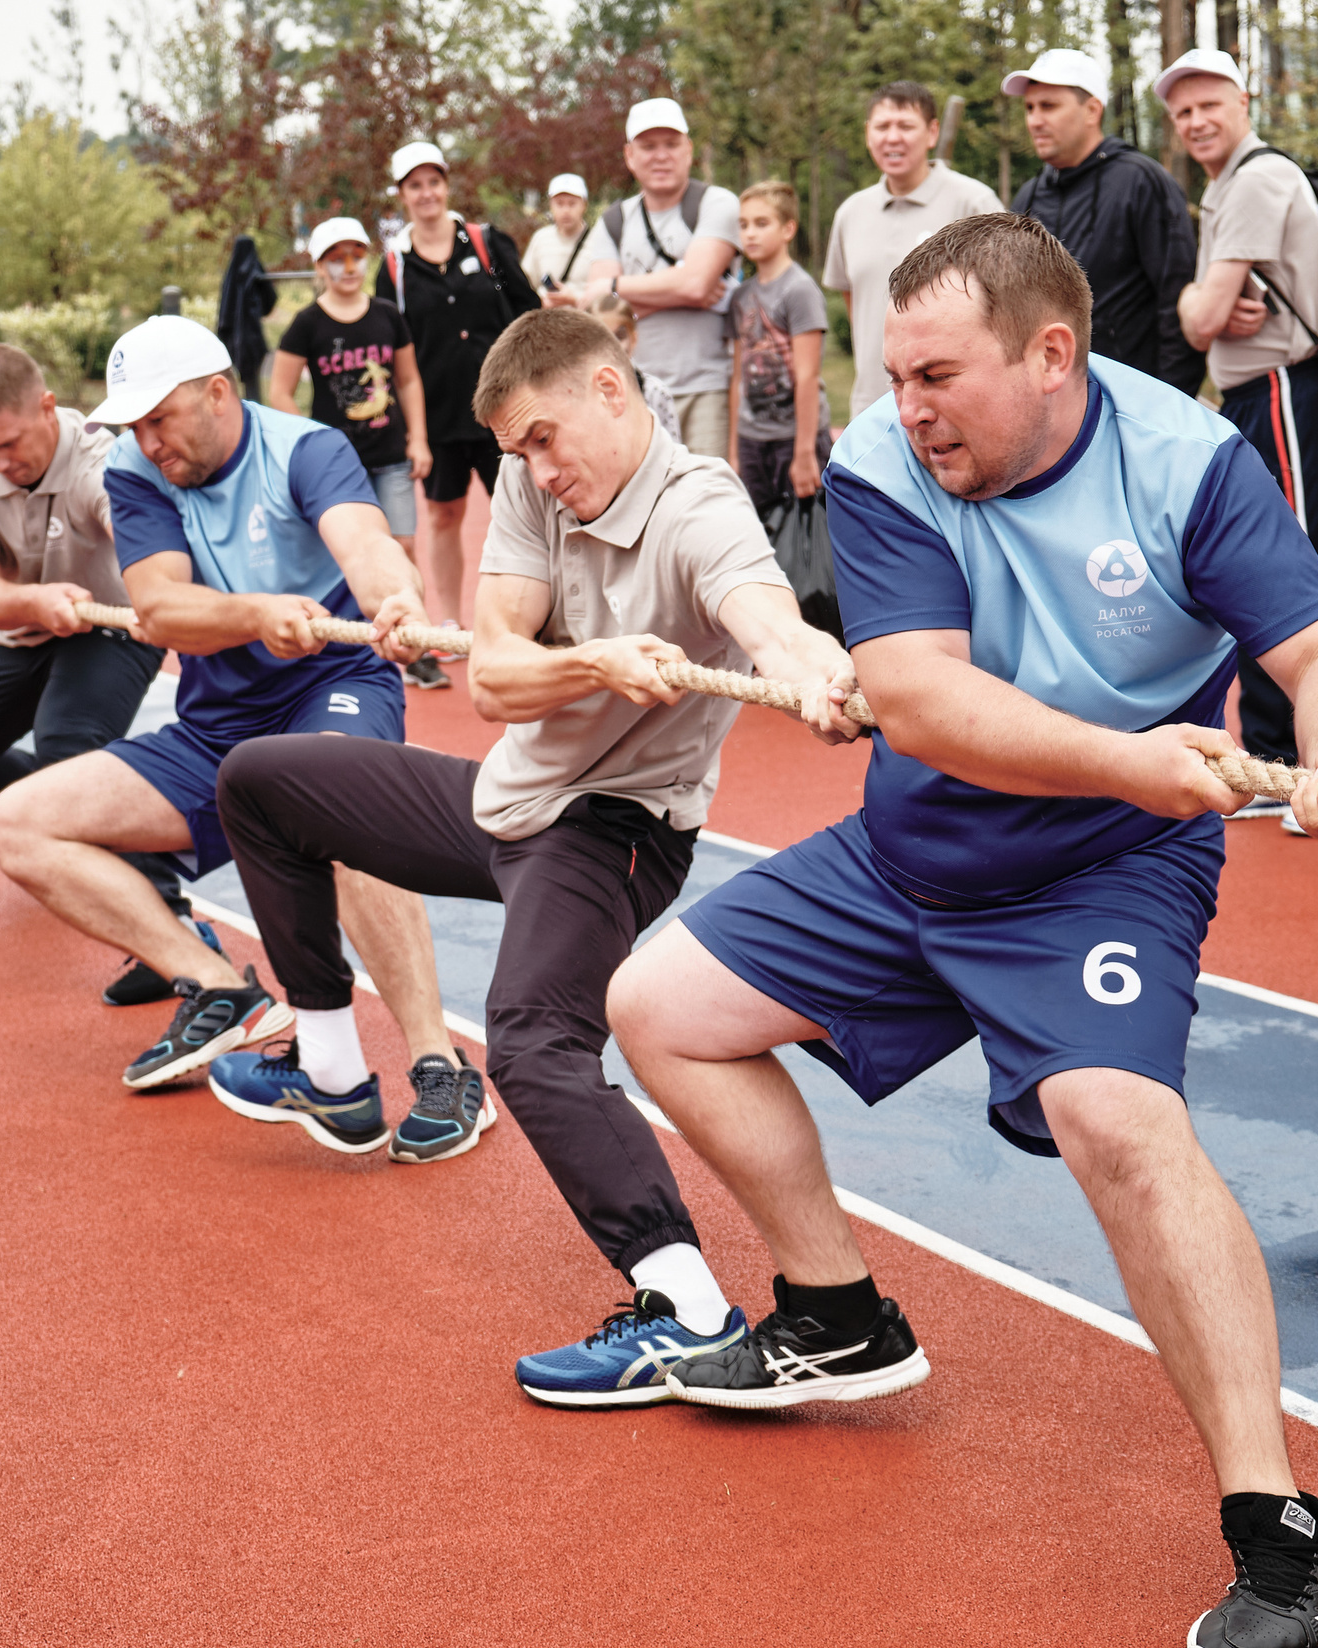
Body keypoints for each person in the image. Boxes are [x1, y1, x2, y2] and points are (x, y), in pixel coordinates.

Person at [608, 214, 1318, 1648]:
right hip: (921, 845)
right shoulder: (883, 456)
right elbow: (923, 701)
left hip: (1104, 866)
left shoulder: (1187, 463)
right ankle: (838, 1311)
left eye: (936, 375)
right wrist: (1127, 753)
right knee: (658, 1002)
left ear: (1053, 354)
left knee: (1119, 1120)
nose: (907, 406)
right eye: (895, 374)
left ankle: (1273, 1511)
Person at [211, 307, 858, 1402]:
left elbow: (768, 622)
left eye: (546, 439)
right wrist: (599, 662)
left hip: (613, 829)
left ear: (612, 391)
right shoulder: (530, 483)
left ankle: (686, 1310)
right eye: (519, 451)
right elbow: (493, 676)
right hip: (508, 801)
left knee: (529, 1040)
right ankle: (327, 1065)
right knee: (262, 782)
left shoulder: (700, 509)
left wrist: (814, 668)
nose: (537, 470)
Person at [0, 314, 446, 1102]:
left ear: (218, 393)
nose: (148, 440)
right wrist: (260, 614)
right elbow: (160, 608)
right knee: (17, 822)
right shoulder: (136, 470)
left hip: (328, 692)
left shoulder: (306, 448)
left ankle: (442, 1068)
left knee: (341, 803)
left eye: (160, 418)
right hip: (219, 729)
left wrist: (394, 599)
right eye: (135, 424)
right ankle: (218, 985)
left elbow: (365, 544)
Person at [0, 340, 205, 1000]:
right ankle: (72, 813)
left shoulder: (102, 456)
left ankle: (174, 924)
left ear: (48, 407)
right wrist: (34, 601)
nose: (0, 463)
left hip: (114, 626)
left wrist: (158, 598)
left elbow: (140, 543)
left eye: (10, 443)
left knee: (70, 746)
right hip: (19, 623)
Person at [1167, 48, 1318, 829]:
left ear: (1245, 101)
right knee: (1265, 568)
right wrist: (1207, 302)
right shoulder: (1229, 185)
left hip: (1282, 391)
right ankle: (1278, 760)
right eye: (1182, 113)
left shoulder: (1255, 180)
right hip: (1257, 393)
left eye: (1211, 104)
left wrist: (1195, 303)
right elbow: (1212, 313)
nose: (1197, 121)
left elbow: (1204, 320)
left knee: (1295, 573)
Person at [379, 142, 541, 678]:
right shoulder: (395, 267)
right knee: (443, 515)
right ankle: (449, 622)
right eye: (414, 185)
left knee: (522, 509)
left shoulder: (487, 244)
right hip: (440, 414)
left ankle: (529, 620)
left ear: (446, 186)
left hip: (504, 412)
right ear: (402, 195)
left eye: (433, 182)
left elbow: (525, 308)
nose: (425, 193)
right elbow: (390, 344)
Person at [273, 214, 439, 690]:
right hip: (337, 467)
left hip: (390, 453)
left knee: (402, 546)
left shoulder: (387, 314)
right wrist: (306, 442)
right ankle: (349, 646)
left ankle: (415, 645)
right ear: (320, 268)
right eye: (336, 259)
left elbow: (408, 379)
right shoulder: (308, 324)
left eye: (355, 256)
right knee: (348, 553)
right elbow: (280, 390)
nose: (348, 267)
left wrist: (419, 439)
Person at [555, 98, 745, 462]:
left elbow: (694, 284)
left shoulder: (717, 204)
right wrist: (684, 288)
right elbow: (605, 315)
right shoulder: (614, 220)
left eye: (671, 145)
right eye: (648, 146)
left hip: (707, 389)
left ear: (688, 150)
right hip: (635, 390)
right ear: (629, 155)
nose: (661, 156)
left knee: (707, 503)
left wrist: (614, 287)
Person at [1006, 48, 1205, 394]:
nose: (1035, 120)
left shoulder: (1140, 182)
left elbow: (1175, 300)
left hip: (1133, 400)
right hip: (1050, 405)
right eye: (1029, 107)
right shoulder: (1028, 199)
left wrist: (1169, 404)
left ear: (1092, 110)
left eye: (1049, 106)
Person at [823, 83, 1002, 420]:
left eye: (905, 126)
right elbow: (854, 300)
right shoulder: (851, 213)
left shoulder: (974, 203)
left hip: (953, 411)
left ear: (932, 132)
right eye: (882, 126)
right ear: (867, 134)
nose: (893, 137)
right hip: (871, 407)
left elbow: (1004, 303)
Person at [726, 180, 832, 515]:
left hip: (794, 439)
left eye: (761, 223)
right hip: (752, 439)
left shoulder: (799, 290)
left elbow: (807, 376)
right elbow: (737, 378)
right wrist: (733, 449)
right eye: (743, 225)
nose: (750, 234)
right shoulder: (741, 296)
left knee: (804, 542)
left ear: (788, 229)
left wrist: (803, 453)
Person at [584, 294, 683, 444]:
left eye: (620, 336)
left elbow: (673, 449)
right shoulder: (582, 394)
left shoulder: (655, 392)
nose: (613, 346)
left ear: (634, 338)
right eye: (603, 337)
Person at [522, 174, 621, 298]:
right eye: (559, 204)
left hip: (584, 315)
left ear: (584, 205)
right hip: (547, 314)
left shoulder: (600, 240)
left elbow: (608, 292)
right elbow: (526, 285)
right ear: (551, 205)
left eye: (572, 204)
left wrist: (575, 299)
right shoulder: (540, 239)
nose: (566, 210)